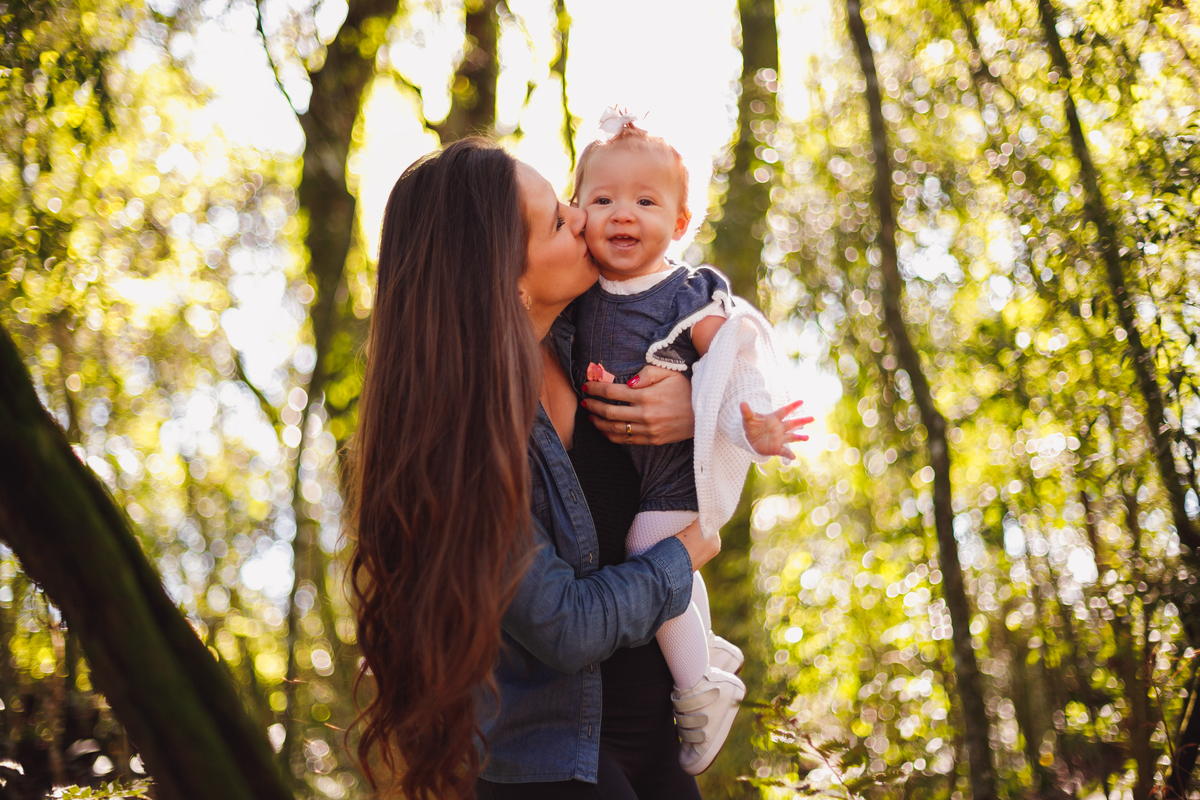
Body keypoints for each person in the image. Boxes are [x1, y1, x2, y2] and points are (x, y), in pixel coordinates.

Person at [348, 137, 720, 800]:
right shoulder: (458, 444)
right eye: (556, 220)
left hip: (659, 746)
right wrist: (681, 558)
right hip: (555, 770)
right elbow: (565, 626)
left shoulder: (603, 336)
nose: (582, 216)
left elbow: (743, 359)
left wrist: (700, 406)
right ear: (506, 280)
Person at [570, 108, 812, 774]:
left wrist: (752, 420)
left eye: (645, 201)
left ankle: (699, 684)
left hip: (674, 471)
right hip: (627, 469)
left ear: (679, 224)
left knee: (652, 550)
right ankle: (703, 654)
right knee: (648, 554)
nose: (623, 214)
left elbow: (735, 359)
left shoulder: (687, 291)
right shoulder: (579, 291)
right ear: (577, 212)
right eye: (604, 199)